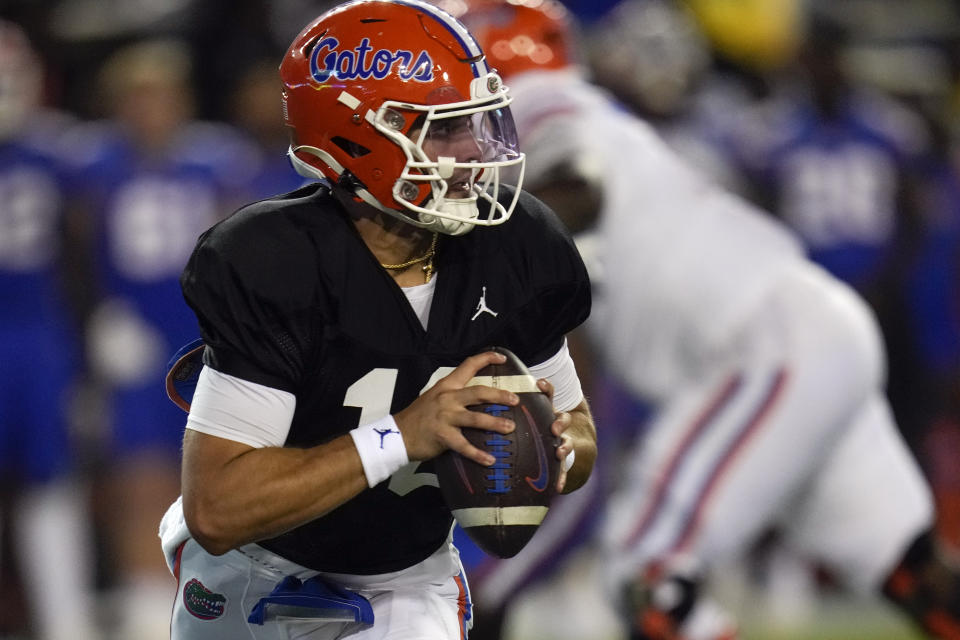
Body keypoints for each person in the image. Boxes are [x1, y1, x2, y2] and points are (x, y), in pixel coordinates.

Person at [455, 1, 960, 639]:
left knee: (647, 573)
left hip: (769, 345)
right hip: (805, 335)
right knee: (916, 575)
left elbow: (575, 179)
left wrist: (472, 233)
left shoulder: (535, 102)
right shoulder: (588, 119)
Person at [156, 1, 597, 639]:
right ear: (355, 138)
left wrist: (552, 449)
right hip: (258, 572)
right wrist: (402, 436)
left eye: (476, 124)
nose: (475, 151)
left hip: (406, 580)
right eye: (441, 131)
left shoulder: (519, 243)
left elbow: (578, 431)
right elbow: (218, 509)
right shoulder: (276, 260)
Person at [65, 38, 258, 639]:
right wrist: (97, 316)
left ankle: (224, 595)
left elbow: (248, 247)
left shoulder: (218, 160)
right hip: (135, 337)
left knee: (226, 466)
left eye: (162, 96)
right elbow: (71, 250)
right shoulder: (93, 164)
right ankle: (148, 603)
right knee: (138, 471)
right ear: (117, 104)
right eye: (138, 97)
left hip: (203, 335)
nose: (152, 110)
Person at [0, 20, 100, 640]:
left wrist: (94, 327)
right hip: (34, 334)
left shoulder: (61, 151)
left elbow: (87, 248)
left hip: (40, 335)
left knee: (52, 480)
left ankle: (67, 622)